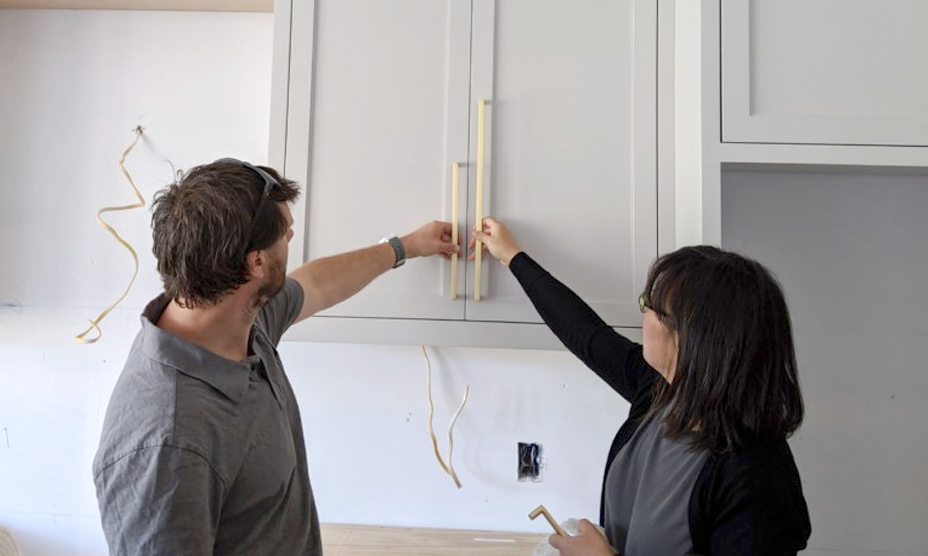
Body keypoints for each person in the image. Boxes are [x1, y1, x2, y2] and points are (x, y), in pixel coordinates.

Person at [92, 158, 458, 556]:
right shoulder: (167, 443)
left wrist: (405, 246)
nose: (291, 234)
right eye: (285, 232)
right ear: (257, 263)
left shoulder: (239, 319)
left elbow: (315, 283)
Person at [471, 217, 811, 556]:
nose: (643, 314)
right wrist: (511, 255)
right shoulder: (661, 393)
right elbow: (586, 334)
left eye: (651, 306)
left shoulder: (759, 477)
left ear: (693, 338)